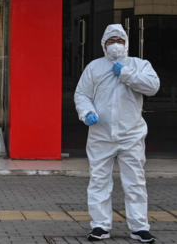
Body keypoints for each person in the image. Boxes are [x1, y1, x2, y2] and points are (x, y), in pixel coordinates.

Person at [74, 24, 160, 243]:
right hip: (100, 134)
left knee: (135, 182)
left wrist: (126, 73)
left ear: (126, 43)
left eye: (119, 40)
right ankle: (100, 226)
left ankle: (139, 227)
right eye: (110, 41)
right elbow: (82, 94)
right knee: (99, 180)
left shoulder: (139, 65)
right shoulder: (94, 67)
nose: (115, 45)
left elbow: (153, 87)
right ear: (103, 44)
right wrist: (87, 112)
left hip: (131, 135)